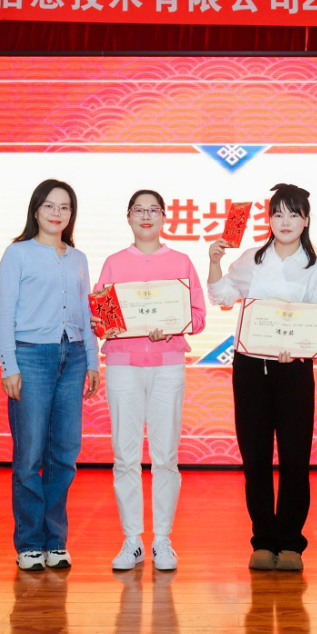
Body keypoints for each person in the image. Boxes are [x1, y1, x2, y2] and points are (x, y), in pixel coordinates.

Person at [207, 184, 317, 572]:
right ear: (269, 219)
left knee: (295, 456)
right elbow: (222, 295)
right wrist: (215, 261)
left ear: (306, 220)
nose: (285, 221)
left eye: (293, 214)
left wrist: (296, 346)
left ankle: (291, 542)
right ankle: (263, 540)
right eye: (278, 213)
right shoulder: (251, 259)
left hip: (294, 368)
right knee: (256, 457)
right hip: (251, 367)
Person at [94, 190, 207, 572]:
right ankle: (132, 541)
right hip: (123, 366)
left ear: (164, 216)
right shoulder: (113, 263)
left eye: (153, 210)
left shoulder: (181, 261)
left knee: (165, 457)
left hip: (167, 366)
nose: (146, 216)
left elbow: (198, 316)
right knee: (125, 456)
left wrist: (172, 326)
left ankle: (162, 540)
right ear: (128, 216)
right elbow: (101, 319)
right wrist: (103, 323)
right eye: (139, 210)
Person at [0, 179, 101, 572]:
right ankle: (29, 543)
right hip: (31, 357)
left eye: (65, 207)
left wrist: (93, 360)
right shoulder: (17, 253)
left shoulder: (78, 258)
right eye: (50, 205)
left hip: (73, 357)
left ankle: (56, 540)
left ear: (72, 214)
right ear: (36, 210)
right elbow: (4, 312)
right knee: (29, 455)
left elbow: (87, 313)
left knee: (65, 454)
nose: (57, 213)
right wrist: (9, 365)